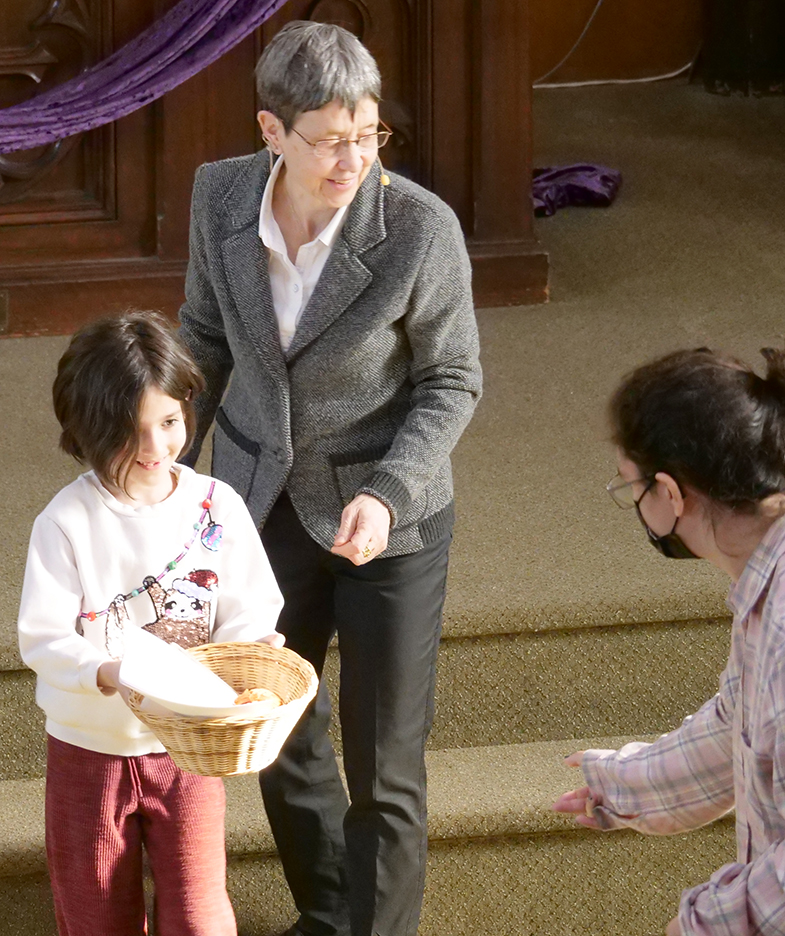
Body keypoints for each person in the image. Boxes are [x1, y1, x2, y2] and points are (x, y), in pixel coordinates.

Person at [177, 19, 482, 936]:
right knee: (274, 723)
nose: (353, 158)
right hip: (259, 500)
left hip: (390, 510)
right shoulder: (219, 194)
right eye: (329, 139)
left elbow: (452, 379)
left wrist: (385, 494)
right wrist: (167, 479)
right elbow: (200, 336)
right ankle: (329, 912)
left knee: (386, 761)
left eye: (368, 134)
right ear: (272, 131)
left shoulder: (418, 227)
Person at [18, 311, 284, 936]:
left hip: (186, 749)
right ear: (85, 430)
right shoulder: (66, 521)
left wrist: (250, 652)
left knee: (199, 911)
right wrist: (107, 669)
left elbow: (249, 604)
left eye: (169, 423)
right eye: (129, 431)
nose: (156, 448)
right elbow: (44, 637)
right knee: (94, 911)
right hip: (89, 748)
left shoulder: (217, 505)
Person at [553, 346, 785, 936]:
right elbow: (737, 722)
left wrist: (703, 923)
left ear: (671, 493)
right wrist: (623, 784)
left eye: (631, 488)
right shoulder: (763, 581)